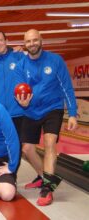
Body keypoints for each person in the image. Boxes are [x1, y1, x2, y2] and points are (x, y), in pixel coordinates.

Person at [15, 29, 78, 206]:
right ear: (25, 43)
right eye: (28, 41)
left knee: (50, 143)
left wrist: (72, 114)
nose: (32, 44)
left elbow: (67, 87)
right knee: (27, 149)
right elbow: (21, 91)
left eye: (35, 40)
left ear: (41, 40)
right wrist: (23, 103)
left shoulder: (55, 60)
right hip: (31, 111)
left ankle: (47, 189)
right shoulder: (21, 65)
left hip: (53, 108)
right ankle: (45, 178)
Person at [0, 31, 25, 149]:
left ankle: (12, 168)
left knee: (18, 147)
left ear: (6, 41)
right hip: (1, 113)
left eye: (0, 40)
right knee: (3, 146)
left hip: (18, 111)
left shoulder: (18, 56)